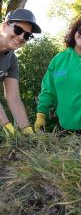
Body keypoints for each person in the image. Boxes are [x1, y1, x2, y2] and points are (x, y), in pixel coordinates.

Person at [0, 8, 41, 137]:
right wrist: (8, 128)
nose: (21, 37)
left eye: (27, 35)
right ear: (5, 25)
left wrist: (27, 132)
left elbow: (14, 98)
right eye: (18, 30)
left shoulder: (11, 60)